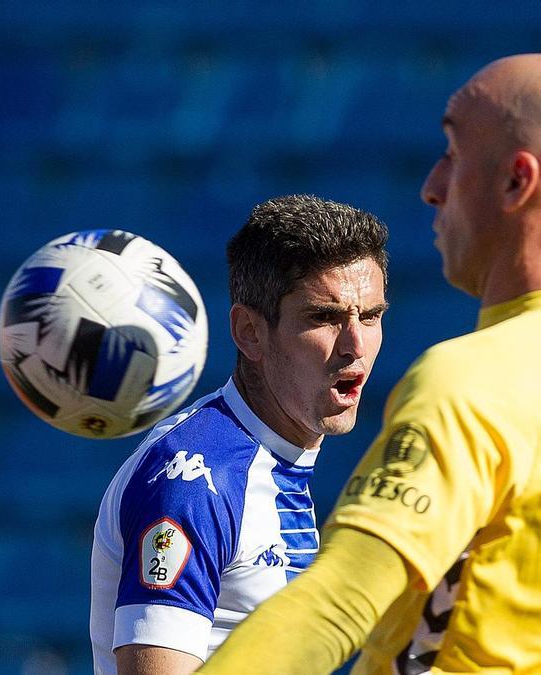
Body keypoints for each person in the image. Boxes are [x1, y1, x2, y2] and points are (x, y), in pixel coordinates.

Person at [199, 53, 541, 674]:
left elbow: (333, 608)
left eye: (454, 153)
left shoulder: (476, 384)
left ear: (518, 182)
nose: (432, 185)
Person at [88, 194, 390, 674]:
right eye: (324, 317)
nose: (355, 345)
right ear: (250, 332)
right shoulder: (193, 480)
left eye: (370, 316)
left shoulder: (278, 455)